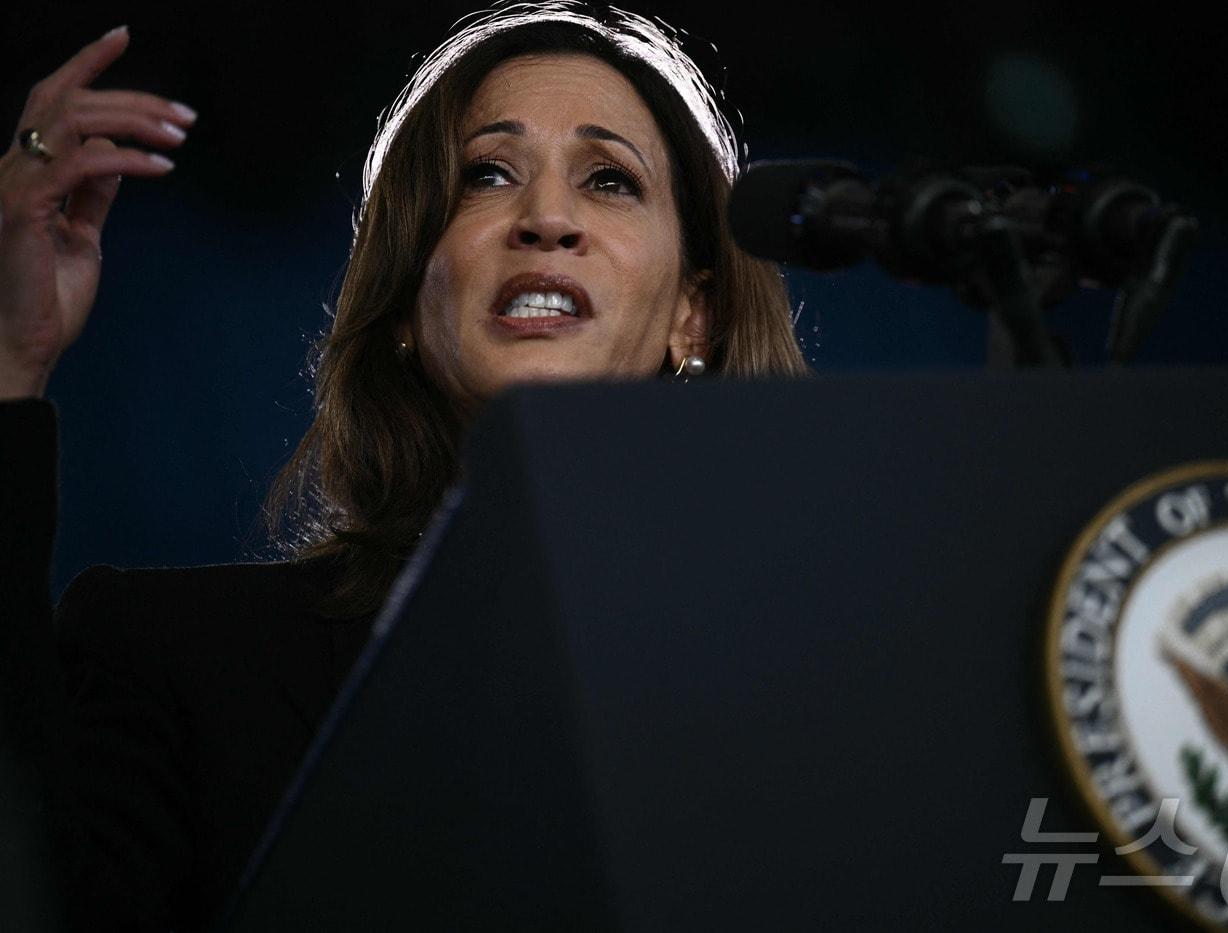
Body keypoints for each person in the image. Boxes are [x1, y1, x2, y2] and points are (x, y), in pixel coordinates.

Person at [0, 3, 806, 929]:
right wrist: (7, 365)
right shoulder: (183, 664)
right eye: (486, 176)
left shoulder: (815, 694)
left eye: (609, 180)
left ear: (692, 315)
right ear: (402, 307)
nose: (546, 218)